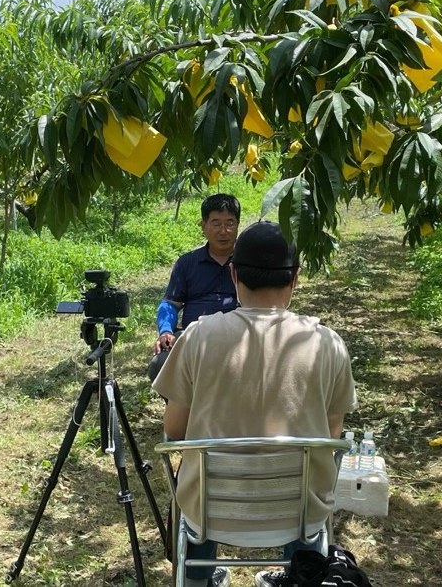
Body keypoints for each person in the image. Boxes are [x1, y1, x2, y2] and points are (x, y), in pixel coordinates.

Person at [153, 220, 357, 587]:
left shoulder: (199, 336)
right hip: (298, 513)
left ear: (234, 274)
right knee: (308, 473)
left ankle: (197, 579)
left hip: (210, 512)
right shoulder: (327, 343)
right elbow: (331, 433)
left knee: (195, 478)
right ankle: (302, 575)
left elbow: (175, 430)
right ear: (295, 277)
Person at [147, 193, 241, 382]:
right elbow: (170, 304)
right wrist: (165, 331)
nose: (224, 231)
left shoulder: (248, 262)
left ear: (238, 225)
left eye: (230, 223)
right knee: (160, 364)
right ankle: (186, 402)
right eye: (216, 224)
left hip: (238, 337)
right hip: (193, 337)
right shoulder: (187, 263)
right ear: (203, 226)